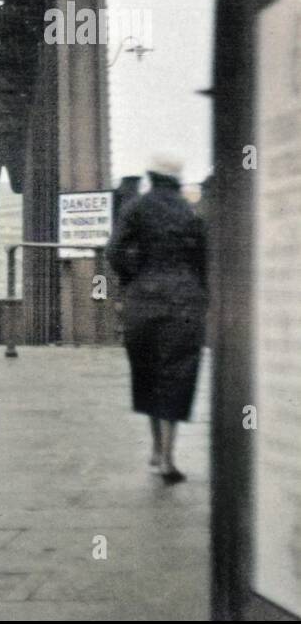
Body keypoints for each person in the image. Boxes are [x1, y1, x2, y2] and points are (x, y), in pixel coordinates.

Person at [105, 155, 209, 484]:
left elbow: (114, 251)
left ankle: (155, 450)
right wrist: (201, 292)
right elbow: (204, 260)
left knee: (148, 374)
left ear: (150, 176)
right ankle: (167, 456)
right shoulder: (190, 210)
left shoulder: (135, 207)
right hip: (184, 303)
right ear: (177, 180)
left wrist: (132, 279)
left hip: (144, 301)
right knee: (176, 376)